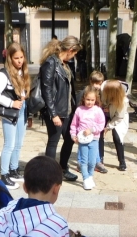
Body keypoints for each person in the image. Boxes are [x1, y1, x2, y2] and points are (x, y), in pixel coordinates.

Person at [40, 36, 82, 181]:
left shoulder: (65, 64)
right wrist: (53, 114)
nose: (75, 55)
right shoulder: (51, 63)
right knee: (53, 141)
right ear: (70, 50)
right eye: (75, 52)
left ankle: (63, 168)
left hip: (67, 110)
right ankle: (49, 174)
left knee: (69, 139)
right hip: (56, 111)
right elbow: (47, 89)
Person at [0, 42, 30, 188]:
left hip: (22, 109)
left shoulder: (22, 71)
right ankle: (4, 174)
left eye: (21, 57)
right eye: (16, 58)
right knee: (9, 144)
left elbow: (24, 92)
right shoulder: (3, 74)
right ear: (10, 58)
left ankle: (14, 169)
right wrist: (11, 103)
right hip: (10, 111)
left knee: (18, 144)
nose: (19, 61)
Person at [70, 86, 106, 190]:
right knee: (83, 160)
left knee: (92, 161)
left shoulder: (98, 110)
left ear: (96, 100)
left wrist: (92, 130)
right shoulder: (79, 110)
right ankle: (85, 179)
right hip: (82, 141)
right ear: (83, 98)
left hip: (94, 139)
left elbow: (101, 124)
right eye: (88, 100)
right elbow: (74, 125)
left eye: (92, 100)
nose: (90, 102)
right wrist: (73, 135)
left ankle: (90, 177)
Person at [100, 79, 130, 171]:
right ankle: (100, 160)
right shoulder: (103, 88)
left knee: (117, 137)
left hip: (119, 117)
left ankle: (122, 161)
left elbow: (119, 117)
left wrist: (108, 127)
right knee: (99, 134)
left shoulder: (124, 101)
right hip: (105, 114)